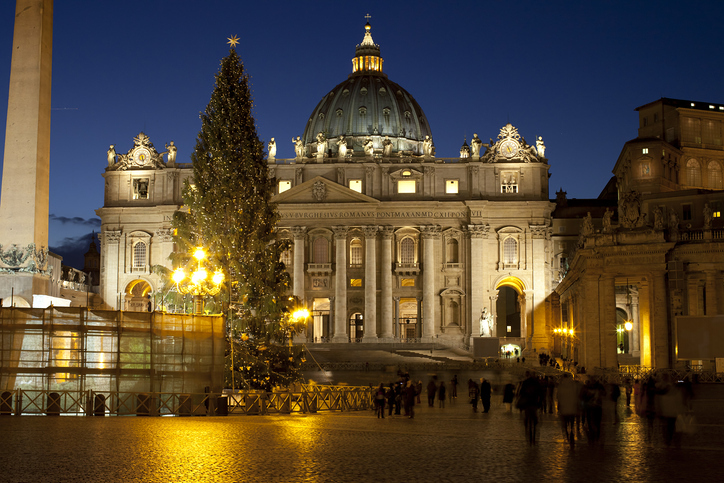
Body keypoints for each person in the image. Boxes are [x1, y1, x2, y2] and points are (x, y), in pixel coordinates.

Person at [516, 371, 542, 445]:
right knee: (534, 418)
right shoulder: (536, 383)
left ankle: (527, 426)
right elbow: (541, 393)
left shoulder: (525, 382)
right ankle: (534, 426)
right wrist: (540, 403)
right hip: (534, 403)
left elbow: (521, 393)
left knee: (527, 417)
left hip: (527, 403)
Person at [557, 373, 581, 448]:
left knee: (565, 423)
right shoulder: (573, 386)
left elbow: (558, 397)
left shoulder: (561, 386)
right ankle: (571, 434)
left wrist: (559, 406)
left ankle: (568, 434)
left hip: (565, 408)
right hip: (571, 408)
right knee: (571, 423)